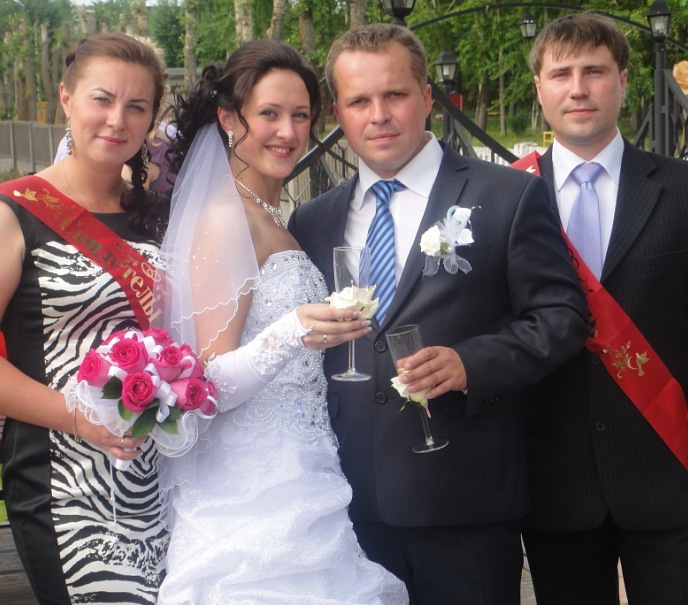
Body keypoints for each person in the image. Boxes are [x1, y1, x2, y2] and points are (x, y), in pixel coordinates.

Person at [288, 23, 589, 605]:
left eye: (395, 94)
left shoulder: (506, 196)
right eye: (359, 101)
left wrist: (472, 363)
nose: (379, 115)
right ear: (338, 114)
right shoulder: (312, 220)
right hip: (346, 503)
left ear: (427, 97)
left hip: (464, 499)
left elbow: (562, 315)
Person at [154, 40, 409, 604]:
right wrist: (291, 330)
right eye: (268, 113)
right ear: (228, 118)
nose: (288, 132)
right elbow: (207, 385)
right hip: (249, 494)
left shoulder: (277, 214)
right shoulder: (225, 218)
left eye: (300, 115)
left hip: (307, 466)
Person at [516, 12, 688, 604]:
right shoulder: (506, 197)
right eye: (561, 75)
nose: (578, 89)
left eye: (594, 72)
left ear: (622, 81)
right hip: (552, 480)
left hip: (666, 476)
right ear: (540, 89)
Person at [0, 32, 169, 603]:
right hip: (66, 481)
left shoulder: (156, 215)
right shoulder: (10, 213)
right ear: (66, 97)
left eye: (137, 106)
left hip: (163, 475)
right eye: (101, 99)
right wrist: (77, 416)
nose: (117, 120)